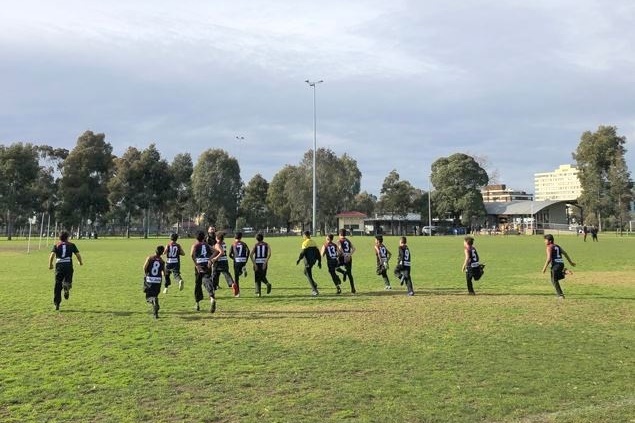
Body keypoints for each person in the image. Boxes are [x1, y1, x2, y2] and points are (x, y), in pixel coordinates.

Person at [48, 231, 83, 311]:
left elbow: (52, 255)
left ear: (59, 238)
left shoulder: (56, 245)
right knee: (68, 280)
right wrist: (80, 262)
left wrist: (50, 265)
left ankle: (57, 304)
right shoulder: (71, 245)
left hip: (59, 265)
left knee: (57, 284)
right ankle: (67, 286)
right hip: (68, 265)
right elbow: (78, 255)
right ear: (67, 237)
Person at [541, 234, 576, 300]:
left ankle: (560, 295)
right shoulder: (557, 246)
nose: (544, 241)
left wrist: (544, 268)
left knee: (553, 280)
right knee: (555, 279)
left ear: (550, 241)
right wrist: (571, 262)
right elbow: (565, 253)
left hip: (555, 265)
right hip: (561, 264)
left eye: (545, 240)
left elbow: (549, 258)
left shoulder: (549, 247)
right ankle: (564, 271)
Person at [191, 231, 216, 313]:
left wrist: (196, 264)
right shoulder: (206, 245)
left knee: (198, 284)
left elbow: (192, 255)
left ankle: (197, 304)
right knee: (207, 279)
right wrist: (210, 259)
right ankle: (212, 298)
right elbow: (216, 252)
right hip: (207, 264)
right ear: (204, 238)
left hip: (199, 265)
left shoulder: (195, 245)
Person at [211, 232, 238, 297]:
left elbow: (221, 252)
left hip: (218, 262)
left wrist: (215, 258)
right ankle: (232, 284)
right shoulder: (224, 243)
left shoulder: (217, 244)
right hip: (225, 261)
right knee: (226, 274)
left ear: (217, 238)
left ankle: (212, 291)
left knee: (214, 276)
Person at [143, 245, 166, 319]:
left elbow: (144, 267)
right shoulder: (162, 261)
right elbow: (164, 273)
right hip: (158, 281)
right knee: (155, 296)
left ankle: (153, 300)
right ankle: (155, 314)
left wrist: (146, 273)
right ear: (162, 253)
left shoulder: (150, 258)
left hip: (149, 280)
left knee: (149, 297)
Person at [296, 231, 321, 296]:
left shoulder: (305, 243)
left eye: (303, 235)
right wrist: (319, 261)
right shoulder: (313, 242)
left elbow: (303, 252)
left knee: (309, 275)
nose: (303, 237)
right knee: (305, 272)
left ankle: (315, 290)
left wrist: (299, 259)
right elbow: (318, 252)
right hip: (313, 261)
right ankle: (314, 284)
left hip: (308, 262)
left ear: (305, 235)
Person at [337, 229, 357, 294]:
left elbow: (340, 248)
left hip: (342, 257)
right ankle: (353, 289)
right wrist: (348, 255)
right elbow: (354, 248)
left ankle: (343, 272)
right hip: (349, 258)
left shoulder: (339, 241)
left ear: (340, 234)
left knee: (335, 267)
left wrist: (344, 255)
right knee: (349, 274)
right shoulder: (348, 241)